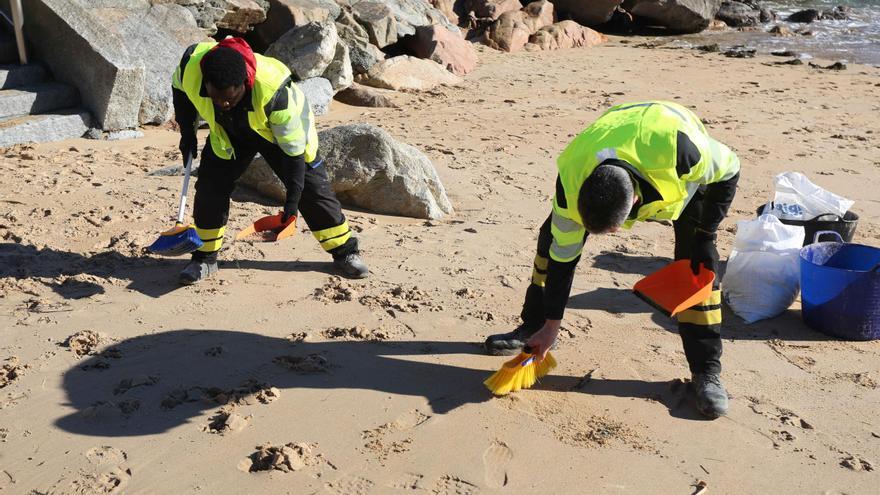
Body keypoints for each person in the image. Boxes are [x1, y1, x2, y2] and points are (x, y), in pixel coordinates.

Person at [484, 101, 740, 419]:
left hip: (671, 155)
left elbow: (731, 169)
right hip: (618, 132)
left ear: (633, 202)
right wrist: (553, 324)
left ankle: (706, 373)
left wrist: (705, 234)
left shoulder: (685, 152)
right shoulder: (572, 176)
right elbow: (564, 259)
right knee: (550, 244)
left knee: (698, 269)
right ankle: (534, 325)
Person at [170, 37, 369, 284]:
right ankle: (204, 258)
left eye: (229, 99)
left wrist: (291, 204)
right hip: (229, 133)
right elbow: (179, 88)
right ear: (206, 83)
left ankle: (345, 252)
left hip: (276, 133)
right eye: (216, 98)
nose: (223, 103)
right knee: (210, 187)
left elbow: (294, 154)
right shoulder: (192, 65)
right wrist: (187, 132)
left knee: (312, 189)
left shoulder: (276, 94)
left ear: (244, 82)